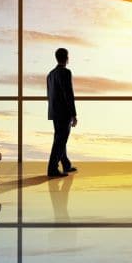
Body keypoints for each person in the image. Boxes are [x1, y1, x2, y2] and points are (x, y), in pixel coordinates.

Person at [46, 48, 78, 177]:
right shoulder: (65, 72)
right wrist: (73, 114)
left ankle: (65, 164)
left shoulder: (50, 74)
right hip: (64, 112)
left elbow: (49, 95)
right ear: (67, 58)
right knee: (60, 140)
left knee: (60, 138)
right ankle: (52, 168)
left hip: (54, 111)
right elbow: (68, 94)